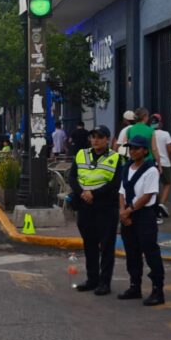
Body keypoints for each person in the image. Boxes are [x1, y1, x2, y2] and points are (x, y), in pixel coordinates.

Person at [68, 125, 122, 296]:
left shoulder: (115, 158)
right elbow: (72, 177)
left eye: (100, 137)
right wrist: (82, 193)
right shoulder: (81, 154)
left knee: (106, 246)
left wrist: (94, 194)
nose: (96, 140)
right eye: (93, 137)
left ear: (107, 139)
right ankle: (92, 279)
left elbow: (115, 183)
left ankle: (105, 283)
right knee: (89, 245)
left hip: (106, 207)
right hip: (85, 206)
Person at [118, 135, 166, 306]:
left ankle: (157, 290)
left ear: (145, 151)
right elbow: (122, 192)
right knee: (132, 253)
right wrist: (123, 212)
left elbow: (147, 195)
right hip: (128, 214)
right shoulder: (126, 168)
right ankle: (134, 286)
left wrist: (128, 211)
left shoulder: (151, 170)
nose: (133, 151)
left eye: (137, 148)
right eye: (131, 148)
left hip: (144, 215)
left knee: (150, 252)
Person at [149, 114, 171, 223]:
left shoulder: (149, 133)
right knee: (167, 183)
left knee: (155, 186)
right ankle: (161, 204)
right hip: (165, 162)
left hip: (152, 162)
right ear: (160, 123)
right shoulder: (165, 134)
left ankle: (156, 207)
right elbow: (170, 150)